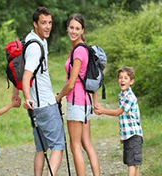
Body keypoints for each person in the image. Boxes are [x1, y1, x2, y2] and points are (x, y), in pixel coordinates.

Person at [12, 7, 67, 176]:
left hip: (36, 108)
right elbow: (26, 75)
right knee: (58, 146)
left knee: (41, 149)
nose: (48, 26)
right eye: (43, 23)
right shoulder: (36, 47)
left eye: (50, 23)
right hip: (44, 104)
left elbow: (19, 69)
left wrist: (18, 95)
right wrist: (27, 98)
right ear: (35, 24)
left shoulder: (30, 39)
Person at [54, 13, 100, 176]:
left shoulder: (78, 51)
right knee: (87, 143)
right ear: (67, 28)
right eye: (71, 27)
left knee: (75, 146)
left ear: (82, 30)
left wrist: (58, 97)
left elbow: (71, 83)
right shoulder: (81, 48)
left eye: (77, 28)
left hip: (76, 102)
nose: (74, 31)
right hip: (85, 101)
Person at [94, 66, 143, 176]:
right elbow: (124, 119)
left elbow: (118, 112)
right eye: (120, 78)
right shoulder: (122, 95)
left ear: (131, 82)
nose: (122, 80)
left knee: (132, 164)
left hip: (134, 135)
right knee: (134, 163)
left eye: (126, 78)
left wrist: (102, 110)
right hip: (128, 136)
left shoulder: (130, 97)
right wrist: (123, 136)